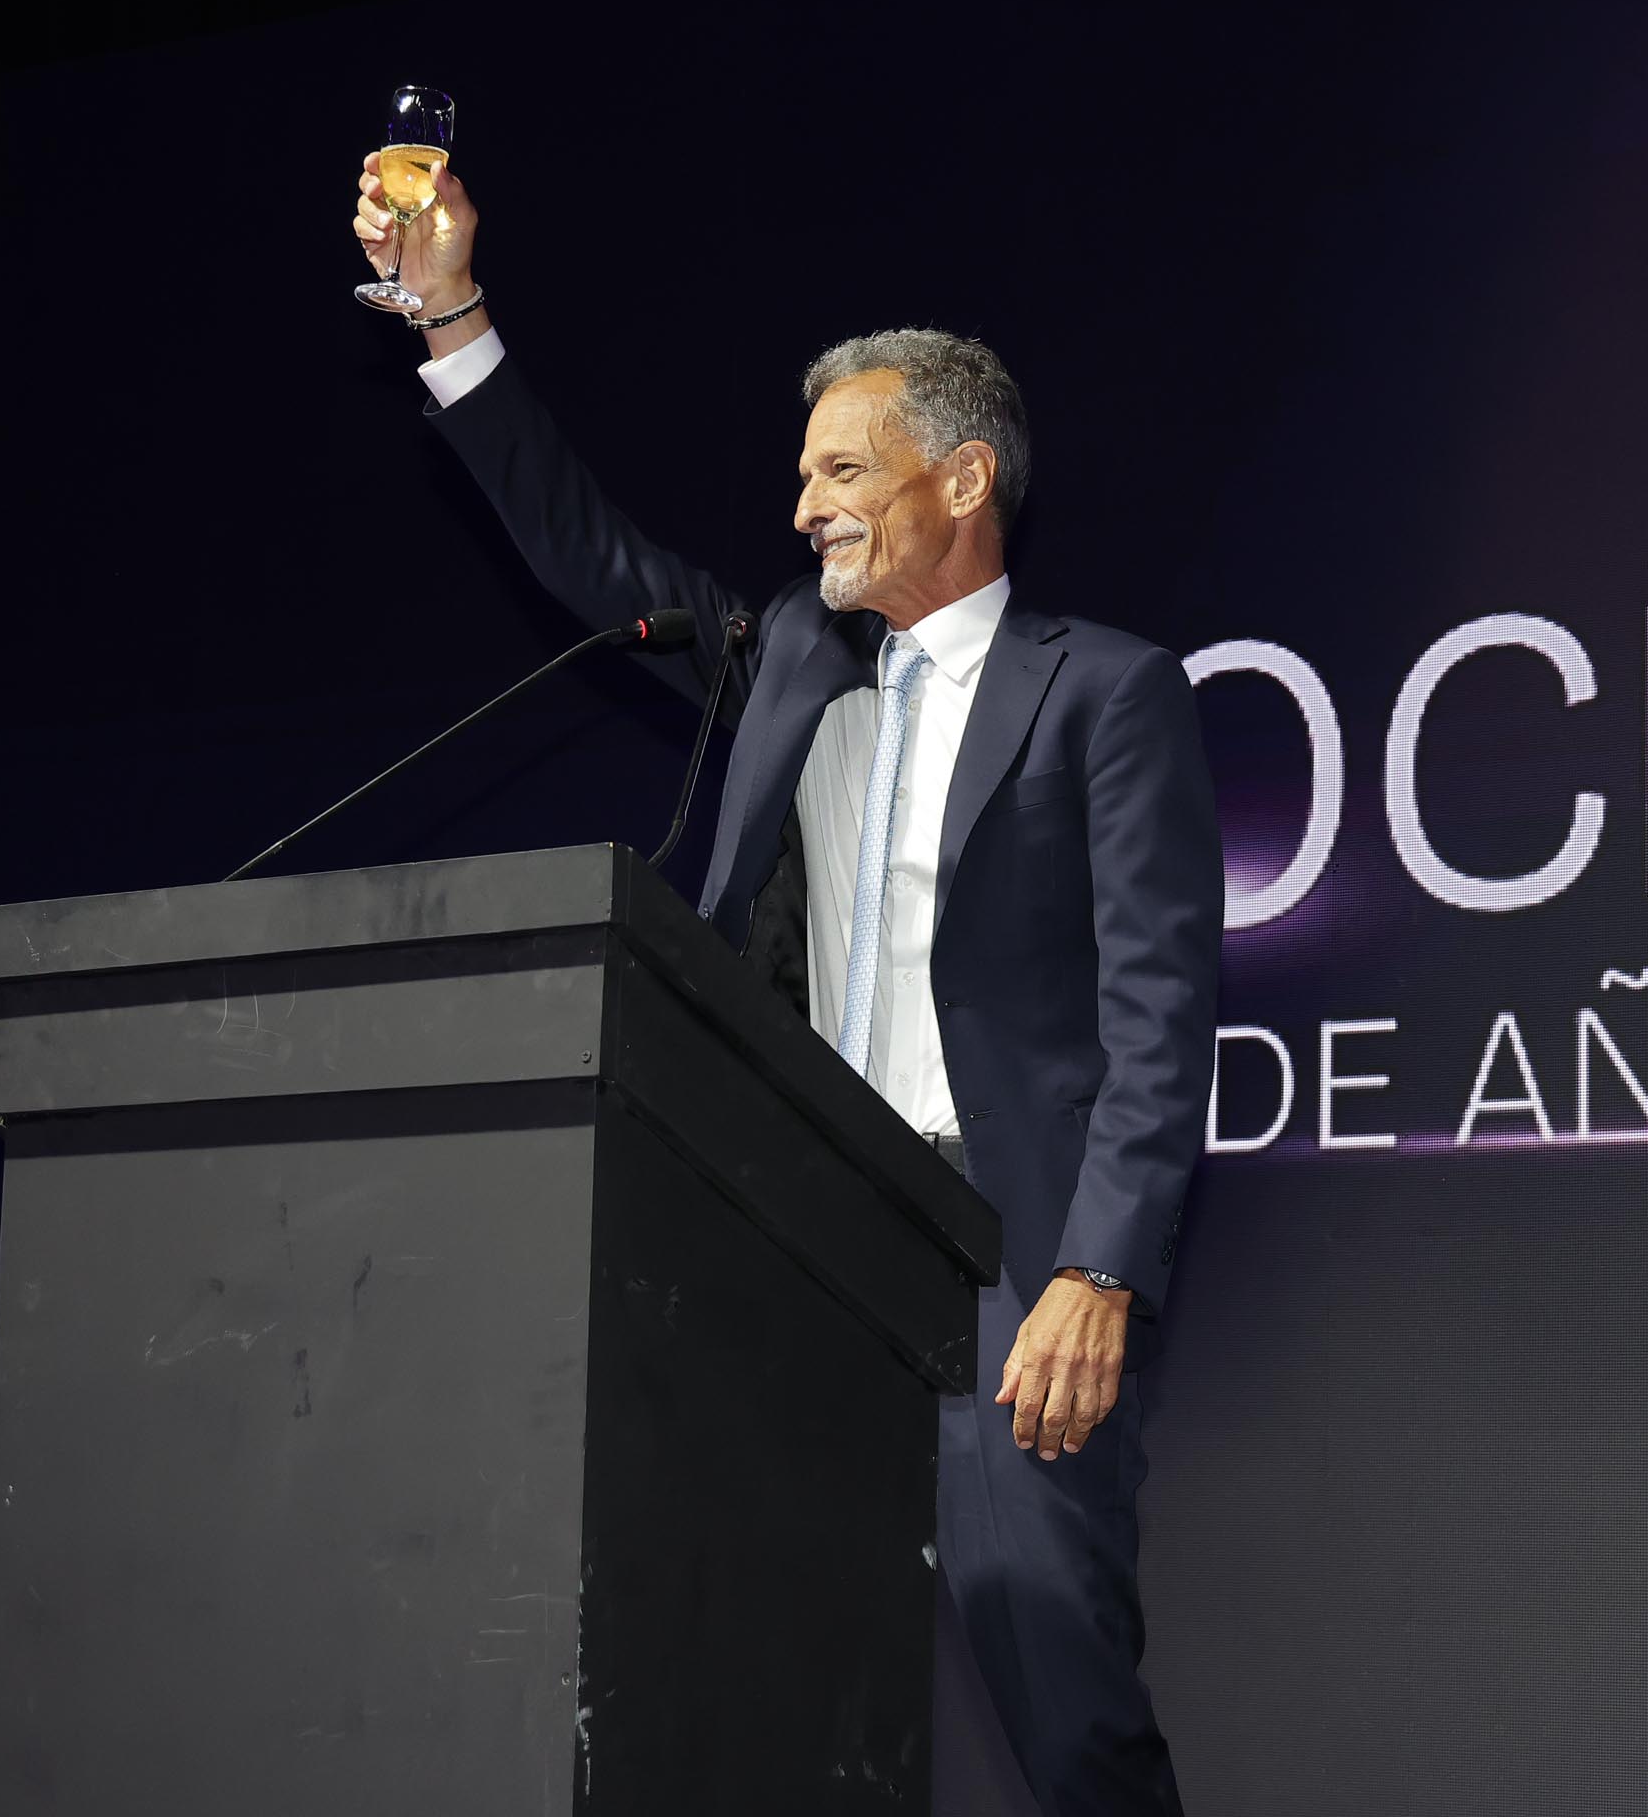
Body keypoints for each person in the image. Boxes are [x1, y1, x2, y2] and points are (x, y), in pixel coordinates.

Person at [352, 153, 1220, 1815]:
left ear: (962, 477)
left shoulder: (1104, 694)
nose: (806, 505)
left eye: (842, 471)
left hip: (1002, 1257)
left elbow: (1159, 1014)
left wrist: (1097, 1271)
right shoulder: (789, 661)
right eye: (803, 473)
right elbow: (585, 548)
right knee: (751, 1662)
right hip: (794, 1234)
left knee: (1060, 1683)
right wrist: (450, 315)